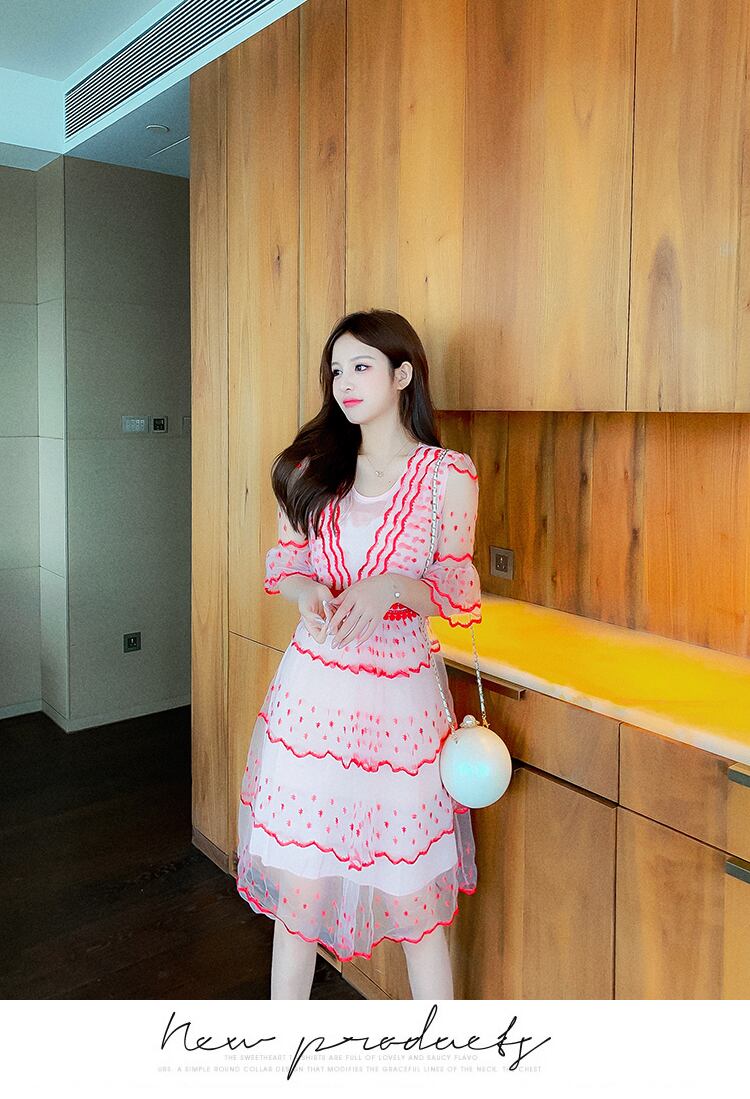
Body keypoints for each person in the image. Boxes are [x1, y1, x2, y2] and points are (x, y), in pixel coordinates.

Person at [236, 308, 482, 999]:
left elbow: (457, 588)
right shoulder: (311, 466)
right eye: (337, 369)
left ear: (402, 375)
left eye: (361, 366)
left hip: (401, 704)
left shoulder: (447, 475)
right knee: (299, 899)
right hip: (314, 698)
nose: (344, 381)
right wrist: (307, 590)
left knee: (415, 903)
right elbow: (285, 563)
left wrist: (394, 587)